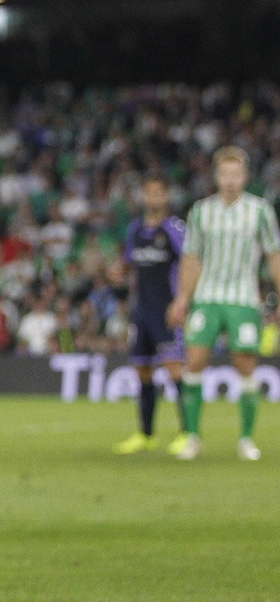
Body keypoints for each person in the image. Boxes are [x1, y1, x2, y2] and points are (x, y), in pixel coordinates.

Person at [168, 146, 280, 461]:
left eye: (236, 174)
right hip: (207, 296)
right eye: (225, 174)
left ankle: (246, 439)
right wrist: (182, 297)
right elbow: (191, 258)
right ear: (216, 176)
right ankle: (192, 437)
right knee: (196, 359)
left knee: (245, 363)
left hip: (244, 298)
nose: (230, 180)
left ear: (245, 177)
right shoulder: (201, 211)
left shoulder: (260, 211)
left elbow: (274, 255)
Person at [112, 178, 190, 455]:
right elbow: (129, 264)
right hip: (142, 309)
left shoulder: (174, 229)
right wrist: (120, 271)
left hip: (167, 308)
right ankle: (146, 434)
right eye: (149, 193)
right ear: (143, 196)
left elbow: (190, 262)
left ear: (166, 196)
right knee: (142, 370)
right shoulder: (135, 230)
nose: (154, 198)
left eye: (159, 193)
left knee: (174, 368)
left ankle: (187, 433)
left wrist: (182, 300)